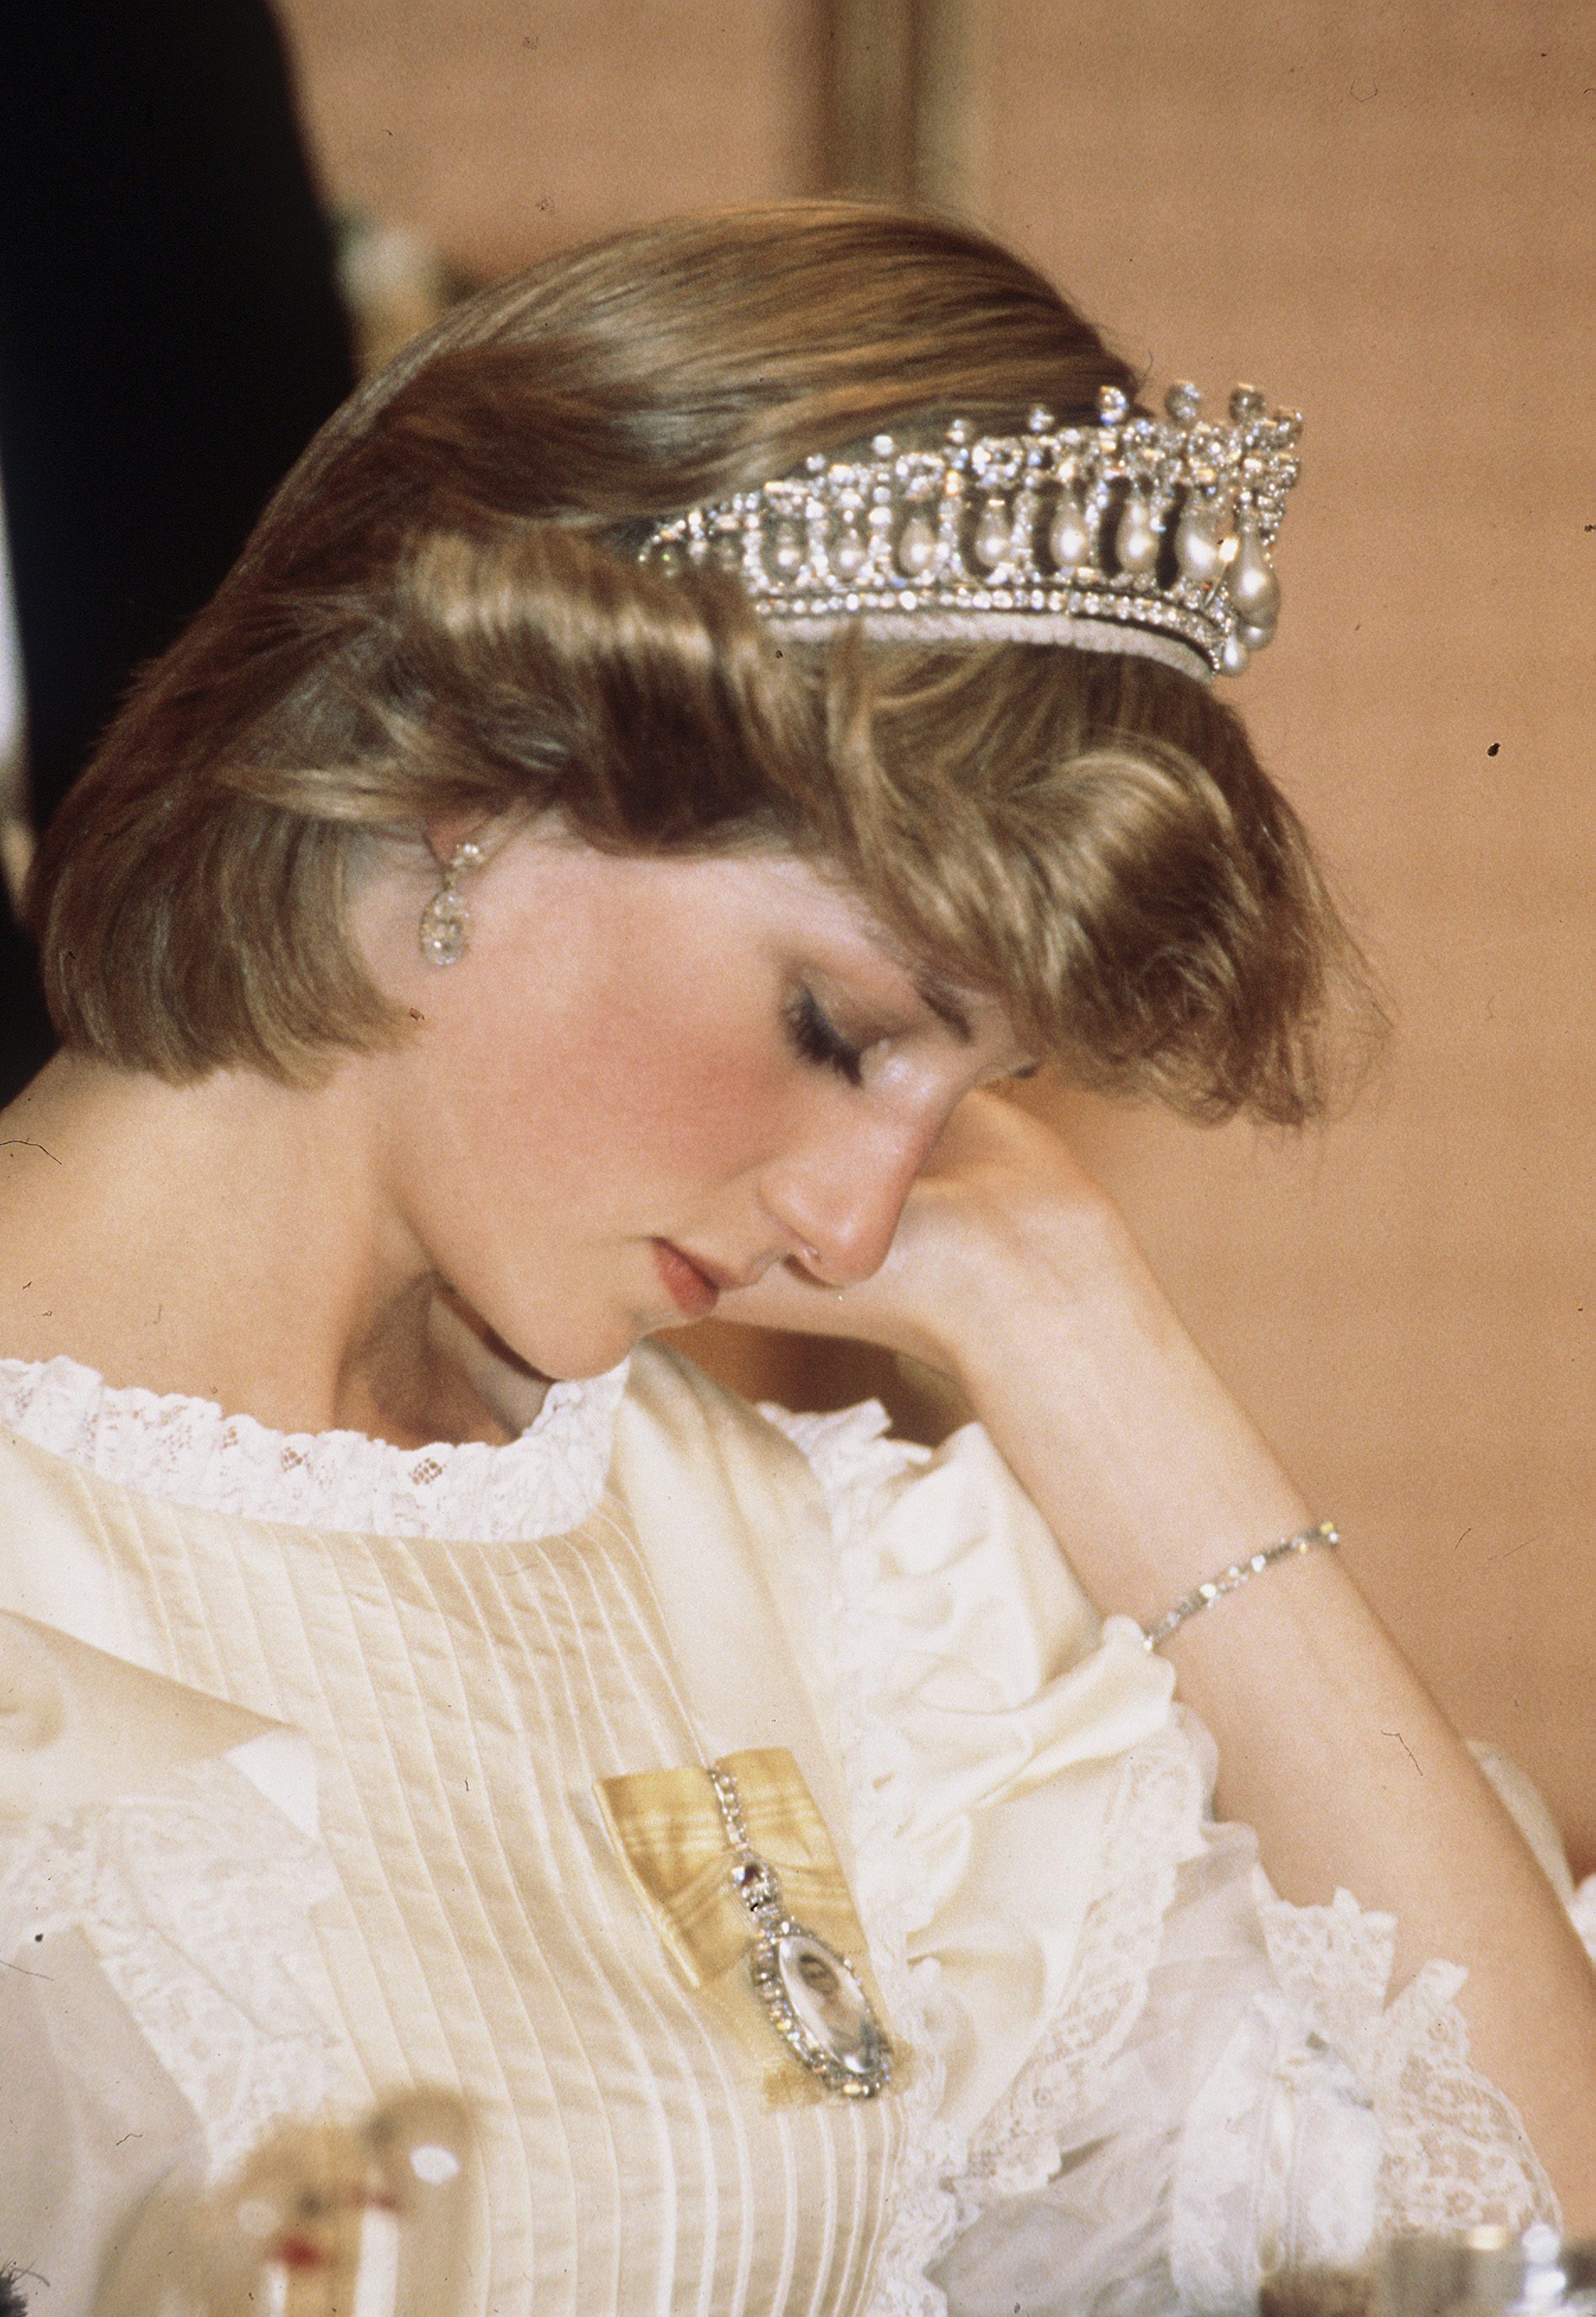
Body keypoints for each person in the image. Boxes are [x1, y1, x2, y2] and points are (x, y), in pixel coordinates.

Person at [0, 204, 1593, 2315]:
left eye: (968, 1092)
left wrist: (1080, 1328)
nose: (855, 1221)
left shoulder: (837, 1598)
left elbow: (1505, 2234)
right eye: (838, 1030)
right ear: (473, 772)